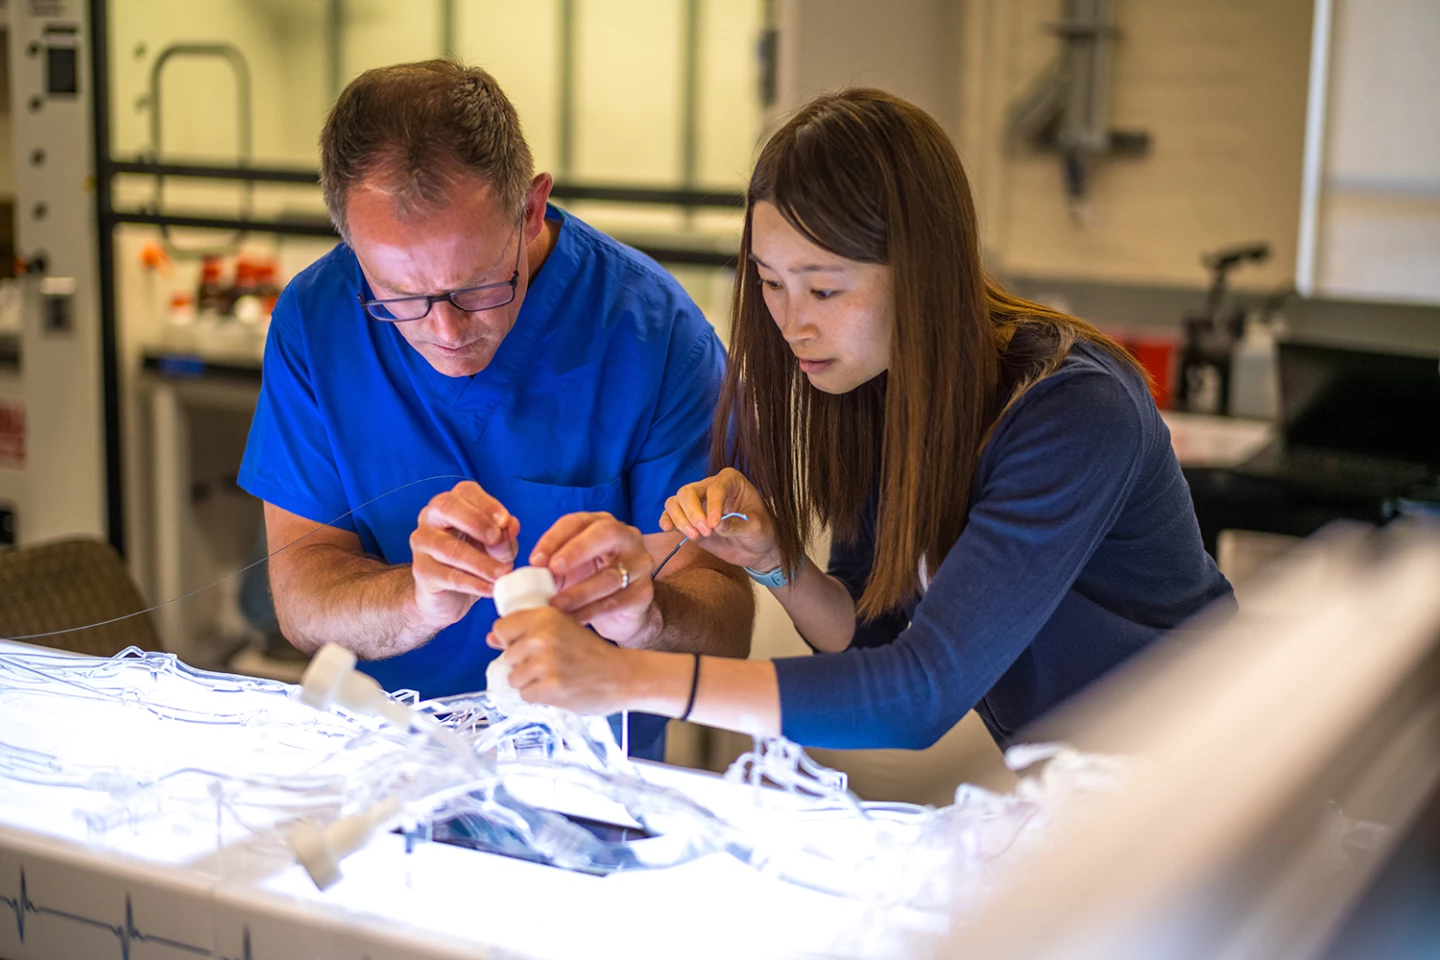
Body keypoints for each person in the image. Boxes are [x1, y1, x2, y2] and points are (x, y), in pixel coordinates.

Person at [487, 89, 1235, 750]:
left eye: (825, 290)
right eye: (772, 284)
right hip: (1087, 795)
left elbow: (917, 696)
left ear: (923, 272)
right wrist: (777, 561)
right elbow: (864, 642)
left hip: (1215, 783)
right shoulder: (879, 389)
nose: (791, 324)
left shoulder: (1073, 412)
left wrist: (624, 678)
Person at [238, 61, 753, 760]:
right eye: (399, 297)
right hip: (386, 761)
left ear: (532, 208)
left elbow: (725, 623)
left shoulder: (653, 334)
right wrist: (413, 600)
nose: (446, 335)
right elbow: (301, 600)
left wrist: (648, 613)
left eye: (478, 287)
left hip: (589, 779)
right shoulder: (316, 320)